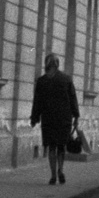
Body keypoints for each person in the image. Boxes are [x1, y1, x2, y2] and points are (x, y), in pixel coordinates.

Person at [30, 53, 79, 185]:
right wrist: (76, 116)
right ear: (57, 64)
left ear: (47, 64)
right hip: (64, 118)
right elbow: (73, 99)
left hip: (48, 118)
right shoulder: (66, 79)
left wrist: (34, 118)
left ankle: (53, 175)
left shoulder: (42, 81)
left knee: (51, 147)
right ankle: (60, 170)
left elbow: (37, 102)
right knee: (61, 146)